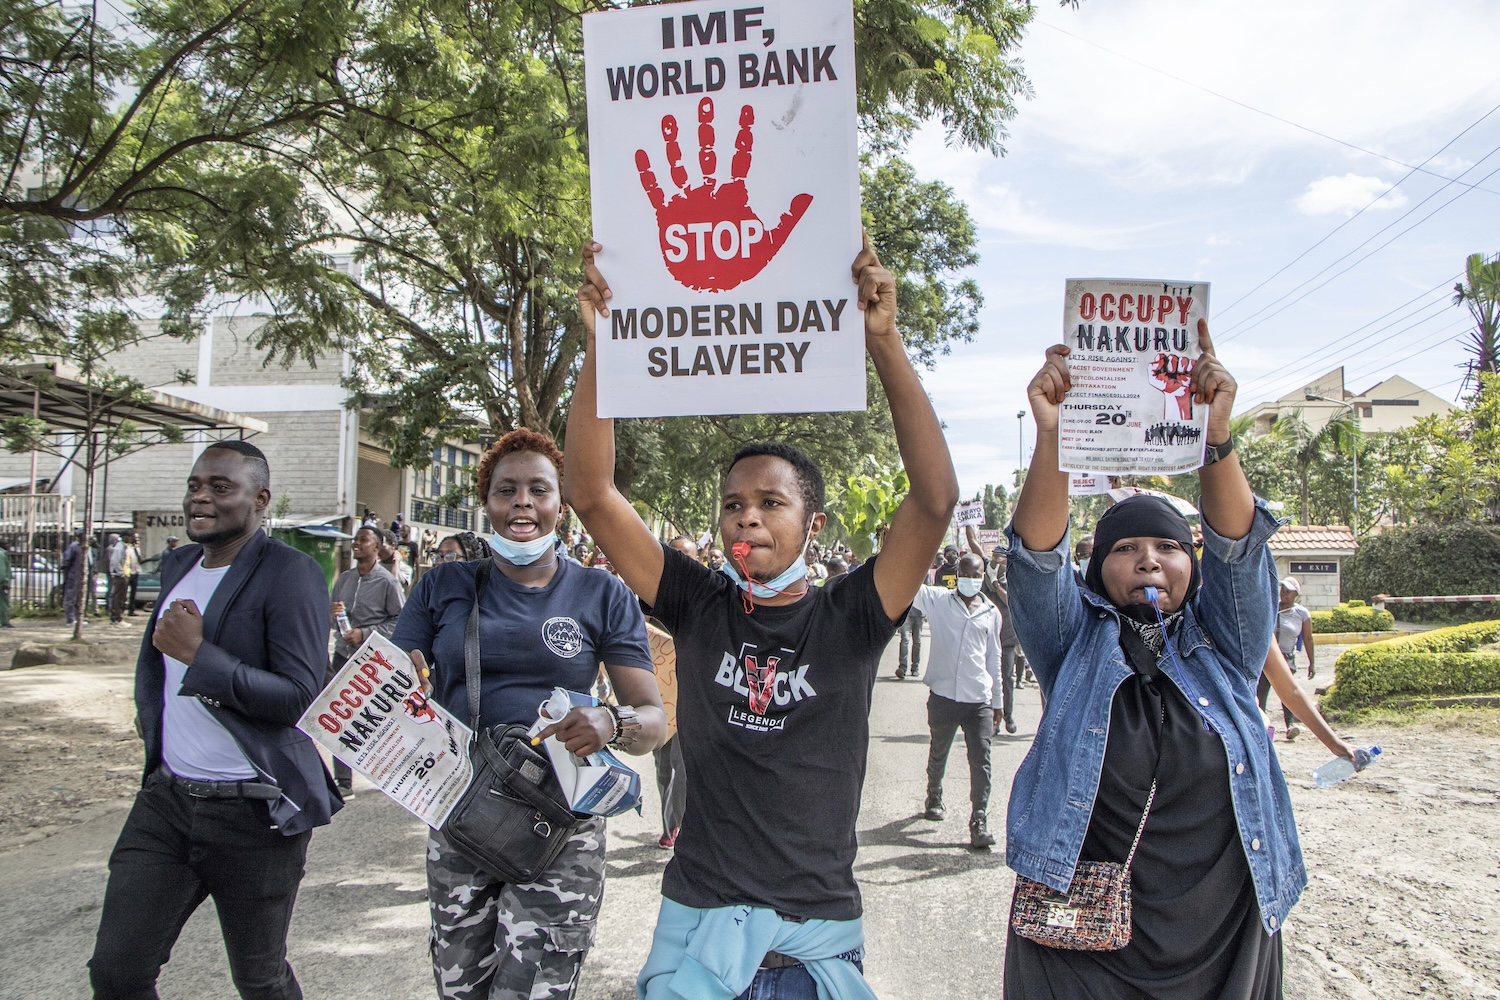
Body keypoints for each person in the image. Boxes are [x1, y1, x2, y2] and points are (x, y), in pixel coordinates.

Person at [567, 236, 957, 998]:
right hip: (695, 929)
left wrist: (884, 342)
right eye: (733, 505)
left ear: (813, 528)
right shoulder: (698, 603)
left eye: (771, 504)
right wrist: (601, 344)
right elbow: (592, 493)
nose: (747, 520)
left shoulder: (853, 614)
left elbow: (934, 501)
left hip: (815, 943)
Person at [1003, 325, 1302, 998]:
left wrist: (1212, 431)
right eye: (1124, 547)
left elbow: (1239, 547)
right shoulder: (1070, 644)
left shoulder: (1225, 644)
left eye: (1165, 547)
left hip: (1221, 929)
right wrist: (1052, 433)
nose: (1146, 559)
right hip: (1081, 934)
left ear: (1190, 565)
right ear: (1096, 568)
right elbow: (1036, 560)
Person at [392, 428, 667, 1000]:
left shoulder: (603, 594)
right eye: (505, 490)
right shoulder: (442, 587)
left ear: (561, 507)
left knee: (534, 991)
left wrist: (612, 723)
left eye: (539, 490)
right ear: (487, 502)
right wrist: (400, 680)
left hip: (560, 823)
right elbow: (392, 691)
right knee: (461, 989)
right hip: (458, 812)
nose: (522, 502)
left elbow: (655, 723)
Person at [88, 441, 338, 999]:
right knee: (117, 972)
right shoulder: (179, 564)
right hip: (167, 804)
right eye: (195, 484)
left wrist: (201, 656)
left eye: (220, 487)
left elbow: (301, 696)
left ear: (260, 499)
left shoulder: (290, 573)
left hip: (254, 816)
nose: (201, 496)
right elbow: (154, 673)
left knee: (260, 978)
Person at [915, 552, 1004, 847]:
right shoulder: (938, 600)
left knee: (981, 760)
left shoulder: (992, 613)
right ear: (957, 576)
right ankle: (934, 794)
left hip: (978, 698)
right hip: (944, 696)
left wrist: (998, 702)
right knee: (939, 751)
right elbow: (910, 583)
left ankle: (979, 819)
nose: (969, 581)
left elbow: (994, 659)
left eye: (975, 576)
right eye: (964, 576)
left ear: (983, 578)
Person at [326, 525, 405, 797]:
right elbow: (330, 619)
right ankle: (344, 782)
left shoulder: (387, 582)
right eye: (355, 539)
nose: (356, 543)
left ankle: (392, 771)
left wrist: (364, 633)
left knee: (373, 719)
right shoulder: (344, 579)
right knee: (340, 717)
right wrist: (333, 614)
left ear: (377, 547)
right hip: (341, 657)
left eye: (363, 540)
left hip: (371, 662)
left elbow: (399, 621)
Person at [652, 536, 697, 849]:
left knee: (683, 766)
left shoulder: (706, 597)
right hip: (659, 698)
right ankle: (668, 822)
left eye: (687, 556)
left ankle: (678, 824)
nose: (681, 561)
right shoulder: (650, 595)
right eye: (675, 554)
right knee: (662, 767)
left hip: (692, 699)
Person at [967, 526, 1020, 724]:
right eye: (995, 557)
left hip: (1006, 637)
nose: (998, 560)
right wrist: (968, 522)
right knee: (986, 677)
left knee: (1007, 677)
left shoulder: (1013, 575)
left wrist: (997, 584)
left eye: (1001, 557)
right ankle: (991, 718)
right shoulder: (987, 569)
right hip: (986, 634)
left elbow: (1009, 601)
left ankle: (1008, 716)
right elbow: (973, 544)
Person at [1260, 577, 1315, 740]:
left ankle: (1289, 725)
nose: (1283, 593)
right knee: (1261, 692)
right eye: (1282, 589)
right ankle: (1261, 727)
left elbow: (1308, 638)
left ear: (1295, 595)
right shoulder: (1270, 608)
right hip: (1266, 659)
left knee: (1287, 693)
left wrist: (1312, 663)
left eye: (1288, 591)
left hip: (1286, 659)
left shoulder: (1301, 614)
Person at [108, 530, 139, 623]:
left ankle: (118, 617)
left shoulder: (125, 547)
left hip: (125, 574)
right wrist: (120, 573)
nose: (130, 539)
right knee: (118, 597)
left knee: (123, 597)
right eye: (129, 536)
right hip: (120, 576)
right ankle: (117, 618)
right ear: (124, 537)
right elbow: (115, 562)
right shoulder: (119, 548)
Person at [63, 527, 86, 625]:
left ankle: (79, 617)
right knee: (71, 597)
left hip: (82, 575)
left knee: (80, 597)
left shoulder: (85, 546)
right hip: (73, 575)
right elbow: (66, 561)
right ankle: (70, 619)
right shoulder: (74, 546)